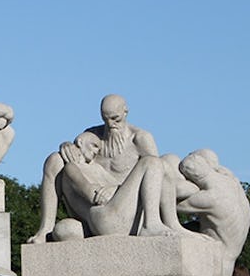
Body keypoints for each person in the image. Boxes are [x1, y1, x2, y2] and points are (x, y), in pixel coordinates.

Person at [28, 94, 160, 243]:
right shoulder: (93, 136)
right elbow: (78, 155)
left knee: (152, 162)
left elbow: (156, 177)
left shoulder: (140, 138)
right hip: (93, 213)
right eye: (106, 119)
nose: (111, 125)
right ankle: (45, 229)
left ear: (125, 112)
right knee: (56, 161)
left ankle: (151, 224)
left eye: (115, 119)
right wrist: (66, 146)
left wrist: (115, 189)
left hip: (124, 212)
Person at [47, 132, 193, 239]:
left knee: (164, 166)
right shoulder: (72, 168)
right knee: (150, 162)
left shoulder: (95, 168)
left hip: (117, 214)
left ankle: (172, 224)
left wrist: (114, 188)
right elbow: (95, 196)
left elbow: (116, 188)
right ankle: (150, 225)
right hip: (104, 218)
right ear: (79, 142)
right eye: (94, 146)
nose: (96, 151)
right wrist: (113, 189)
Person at [173, 149, 250, 276]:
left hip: (215, 263)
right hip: (228, 259)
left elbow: (168, 203)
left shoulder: (211, 197)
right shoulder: (232, 182)